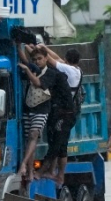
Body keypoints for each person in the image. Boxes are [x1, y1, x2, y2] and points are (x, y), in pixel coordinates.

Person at [31, 44, 82, 184]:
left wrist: (41, 48)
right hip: (67, 112)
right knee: (61, 146)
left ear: (67, 59)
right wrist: (43, 48)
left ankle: (44, 171)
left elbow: (52, 60)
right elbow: (56, 58)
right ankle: (58, 174)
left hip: (64, 112)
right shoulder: (75, 70)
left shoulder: (67, 71)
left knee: (56, 144)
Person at [17, 47, 56, 182]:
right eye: (35, 59)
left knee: (34, 135)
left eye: (40, 59)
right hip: (28, 108)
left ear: (46, 58)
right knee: (30, 139)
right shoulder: (33, 68)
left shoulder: (51, 73)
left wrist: (27, 70)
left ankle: (24, 164)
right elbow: (24, 60)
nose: (37, 61)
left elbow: (38, 83)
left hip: (42, 109)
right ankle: (30, 172)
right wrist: (18, 46)